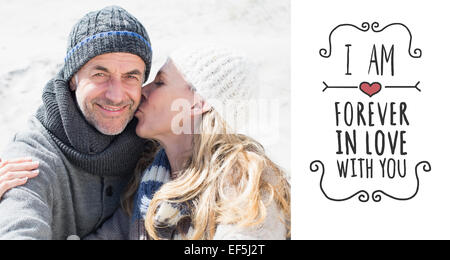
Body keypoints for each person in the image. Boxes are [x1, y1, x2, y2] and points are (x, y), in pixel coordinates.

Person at [1, 47, 291, 240]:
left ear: (197, 103)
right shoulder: (153, 180)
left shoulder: (249, 185)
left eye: (160, 82)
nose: (143, 91)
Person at [0, 5, 153, 239]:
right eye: (100, 75)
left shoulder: (154, 144)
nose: (116, 95)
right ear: (72, 78)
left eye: (130, 77)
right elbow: (19, 225)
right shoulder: (28, 158)